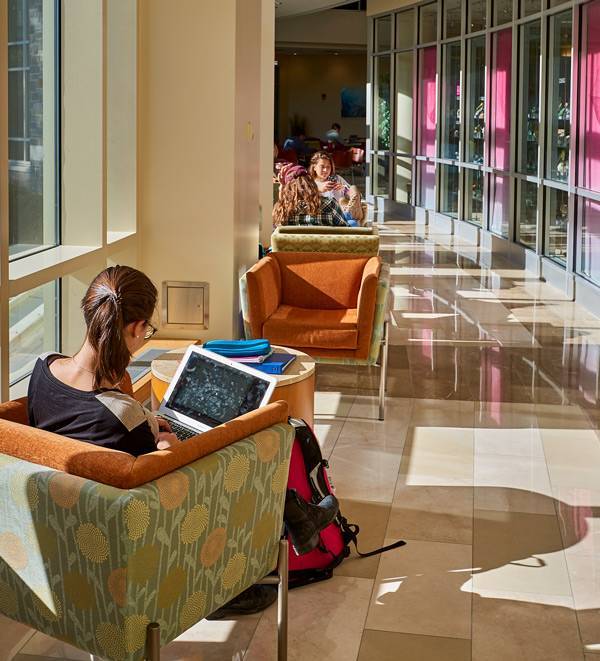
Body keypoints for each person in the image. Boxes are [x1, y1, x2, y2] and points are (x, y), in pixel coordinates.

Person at [28, 265, 338, 618]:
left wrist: (144, 423)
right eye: (148, 330)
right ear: (135, 328)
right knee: (248, 448)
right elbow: (165, 470)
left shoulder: (43, 369)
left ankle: (301, 519)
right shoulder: (119, 415)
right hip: (148, 533)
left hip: (70, 526)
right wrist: (165, 443)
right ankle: (262, 550)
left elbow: (84, 423)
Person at [273, 163, 347, 227]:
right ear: (311, 183)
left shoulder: (282, 211)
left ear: (287, 189)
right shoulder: (329, 204)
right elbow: (346, 234)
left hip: (294, 243)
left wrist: (282, 189)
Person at [309, 151, 364, 226]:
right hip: (323, 216)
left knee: (353, 189)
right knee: (353, 223)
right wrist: (318, 190)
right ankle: (352, 214)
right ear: (314, 167)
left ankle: (351, 213)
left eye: (328, 167)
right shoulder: (309, 182)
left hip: (341, 214)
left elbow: (356, 196)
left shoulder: (337, 179)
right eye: (322, 166)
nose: (325, 170)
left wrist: (344, 190)